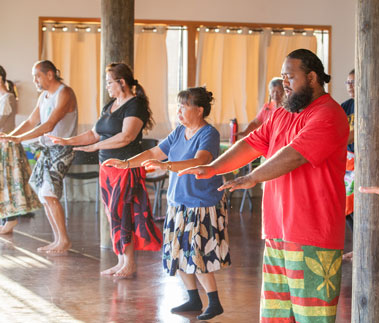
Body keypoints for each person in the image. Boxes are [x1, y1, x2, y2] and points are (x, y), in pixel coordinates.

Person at [180, 49, 349, 323]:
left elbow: (295, 153)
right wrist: (214, 167)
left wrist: (253, 177)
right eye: (282, 76)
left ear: (312, 77)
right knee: (276, 316)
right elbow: (250, 143)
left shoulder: (330, 113)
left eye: (290, 77)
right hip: (277, 231)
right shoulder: (282, 114)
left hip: (313, 234)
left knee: (312, 318)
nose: (284, 83)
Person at [103, 87, 230, 320]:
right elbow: (154, 152)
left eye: (184, 106)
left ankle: (214, 302)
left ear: (200, 110)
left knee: (197, 255)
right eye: (178, 106)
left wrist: (167, 166)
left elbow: (200, 161)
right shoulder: (179, 131)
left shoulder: (208, 134)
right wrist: (126, 163)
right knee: (177, 253)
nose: (179, 111)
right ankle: (193, 298)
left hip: (201, 204)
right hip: (178, 203)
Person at [48, 62, 162, 277]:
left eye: (110, 82)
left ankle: (129, 263)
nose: (107, 86)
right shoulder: (110, 105)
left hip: (125, 167)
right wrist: (67, 140)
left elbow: (126, 136)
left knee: (123, 212)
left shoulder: (134, 105)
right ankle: (121, 260)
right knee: (112, 214)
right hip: (107, 168)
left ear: (122, 82)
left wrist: (96, 146)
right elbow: (94, 134)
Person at [0, 60, 77, 253]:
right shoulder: (44, 96)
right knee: (43, 193)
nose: (34, 80)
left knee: (49, 193)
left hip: (62, 149)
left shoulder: (65, 93)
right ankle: (58, 240)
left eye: (37, 75)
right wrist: (12, 136)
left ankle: (63, 241)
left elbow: (49, 124)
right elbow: (31, 120)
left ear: (49, 74)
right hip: (47, 149)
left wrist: (19, 138)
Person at [0, 65, 41, 234]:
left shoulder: (8, 97)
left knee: (9, 183)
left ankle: (10, 219)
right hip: (3, 144)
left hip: (7, 145)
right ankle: (6, 217)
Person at [341, 69, 355, 261]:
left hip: (364, 162)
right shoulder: (345, 107)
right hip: (347, 163)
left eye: (354, 82)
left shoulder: (369, 103)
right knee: (345, 207)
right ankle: (357, 243)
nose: (350, 86)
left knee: (359, 206)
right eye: (348, 82)